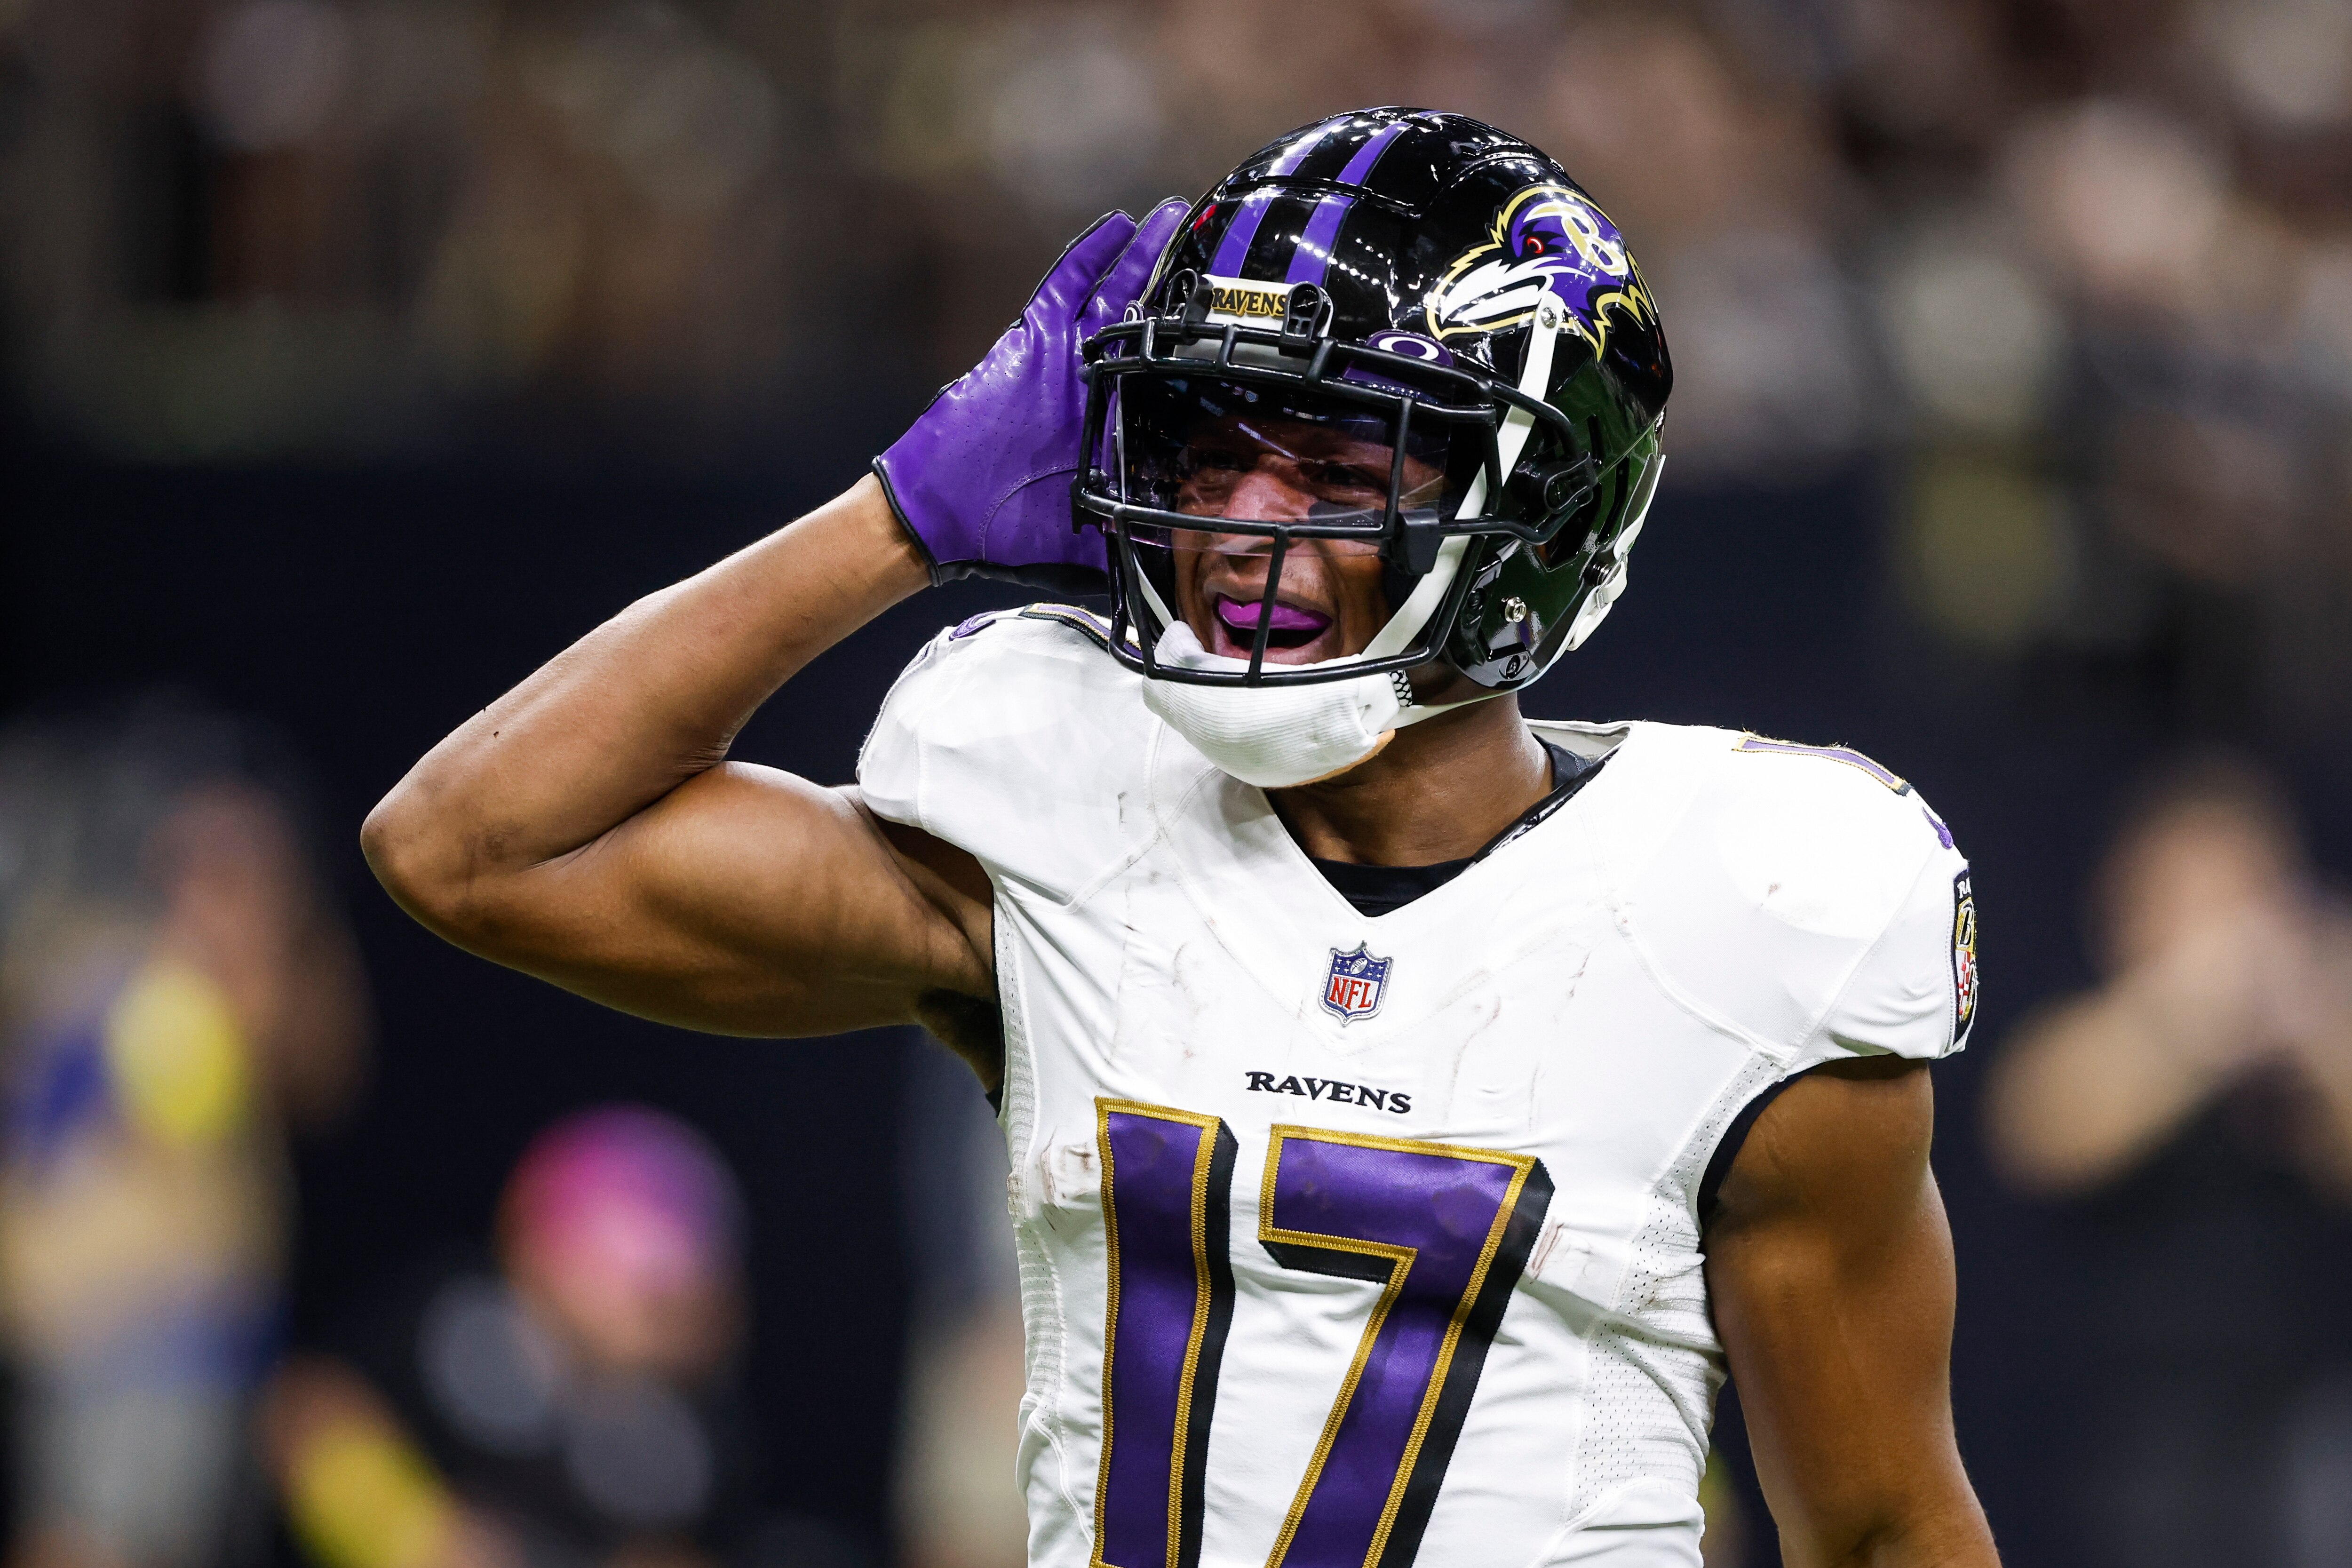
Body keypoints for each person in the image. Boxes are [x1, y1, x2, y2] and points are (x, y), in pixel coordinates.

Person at [364, 109, 1999, 1568]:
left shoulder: (1730, 921)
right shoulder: (1060, 833)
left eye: (1336, 470)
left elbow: (1881, 1529)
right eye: (1214, 457)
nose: (1241, 530)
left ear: (1535, 522)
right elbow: (471, 848)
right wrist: (897, 517)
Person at [0, 702, 369, 1568]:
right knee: (94, 1543)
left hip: (190, 1329)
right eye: (209, 860)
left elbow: (323, 1075)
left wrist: (267, 929)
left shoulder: (211, 975)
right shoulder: (108, 971)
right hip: (118, 1315)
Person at [1985, 759, 2352, 1568]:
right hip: (2148, 1450)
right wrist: (2198, 1010)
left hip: (2314, 1427)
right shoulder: (2094, 1031)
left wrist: (2317, 1024)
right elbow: (2040, 1134)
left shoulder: (2318, 1036)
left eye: (2250, 897)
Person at [260, 1105, 771, 1568]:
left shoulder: (691, 1442)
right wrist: (407, 1532)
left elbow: (692, 1547)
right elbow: (305, 1408)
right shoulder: (451, 1323)